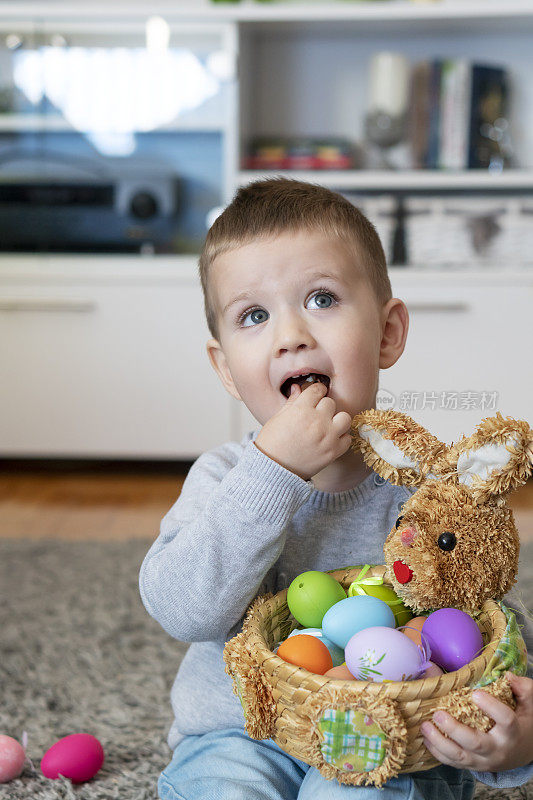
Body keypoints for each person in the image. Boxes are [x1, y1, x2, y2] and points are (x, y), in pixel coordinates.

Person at [139, 178, 533, 800]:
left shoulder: (432, 492)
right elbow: (184, 609)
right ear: (225, 369)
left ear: (386, 334)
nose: (289, 334)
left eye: (321, 298)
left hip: (392, 743)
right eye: (255, 315)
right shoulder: (222, 478)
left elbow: (487, 629)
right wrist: (273, 472)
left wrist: (514, 747)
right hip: (243, 732)